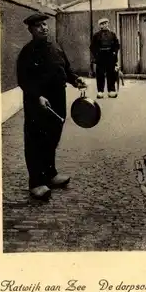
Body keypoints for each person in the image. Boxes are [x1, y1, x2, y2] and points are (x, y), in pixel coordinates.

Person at [17, 12, 87, 200]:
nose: (43, 28)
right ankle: (36, 183)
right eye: (38, 26)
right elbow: (23, 80)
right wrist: (37, 96)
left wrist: (75, 80)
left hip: (57, 99)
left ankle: (50, 174)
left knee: (52, 138)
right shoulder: (27, 52)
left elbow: (65, 68)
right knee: (36, 141)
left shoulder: (55, 47)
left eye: (45, 25)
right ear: (31, 30)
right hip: (38, 103)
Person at [90, 17, 120, 99]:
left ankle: (111, 91)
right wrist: (96, 55)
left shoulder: (112, 34)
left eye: (106, 23)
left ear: (108, 23)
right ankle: (100, 91)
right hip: (100, 57)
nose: (104, 25)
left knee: (111, 73)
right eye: (102, 24)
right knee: (100, 74)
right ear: (100, 26)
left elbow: (117, 45)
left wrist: (114, 52)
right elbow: (92, 47)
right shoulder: (96, 35)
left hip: (110, 56)